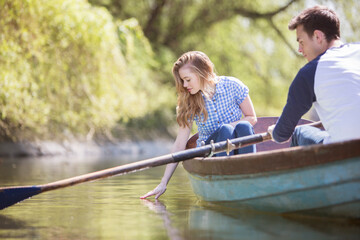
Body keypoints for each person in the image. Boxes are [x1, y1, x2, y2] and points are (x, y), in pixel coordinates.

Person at [141, 51, 257, 199]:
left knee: (244, 127)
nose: (184, 85)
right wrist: (163, 182)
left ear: (201, 73)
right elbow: (180, 144)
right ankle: (225, 182)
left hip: (237, 147)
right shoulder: (188, 100)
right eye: (183, 80)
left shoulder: (233, 86)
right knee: (225, 129)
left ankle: (251, 176)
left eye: (188, 79)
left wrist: (229, 126)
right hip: (210, 153)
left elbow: (251, 117)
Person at [268, 5, 360, 146]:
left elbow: (282, 134)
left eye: (301, 42)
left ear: (317, 36)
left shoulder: (310, 72)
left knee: (299, 132)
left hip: (346, 152)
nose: (299, 50)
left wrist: (273, 131)